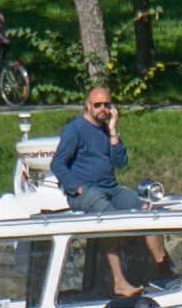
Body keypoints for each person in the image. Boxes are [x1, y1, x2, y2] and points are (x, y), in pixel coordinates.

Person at [53, 84, 148, 215]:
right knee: (111, 216)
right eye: (97, 105)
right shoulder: (75, 129)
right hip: (86, 193)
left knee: (145, 209)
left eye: (106, 105)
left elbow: (120, 162)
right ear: (88, 106)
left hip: (112, 189)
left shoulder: (108, 130)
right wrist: (77, 188)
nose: (103, 108)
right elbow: (57, 164)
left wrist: (113, 130)